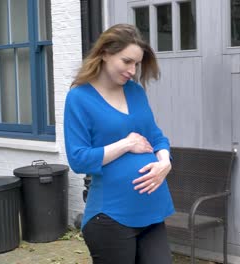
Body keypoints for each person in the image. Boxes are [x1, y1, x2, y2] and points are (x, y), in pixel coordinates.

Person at [64, 24, 174, 264]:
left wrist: (165, 162)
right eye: (127, 61)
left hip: (152, 211)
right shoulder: (79, 98)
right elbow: (78, 159)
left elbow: (156, 137)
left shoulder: (135, 91)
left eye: (136, 64)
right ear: (105, 53)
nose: (132, 70)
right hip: (110, 217)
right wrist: (125, 144)